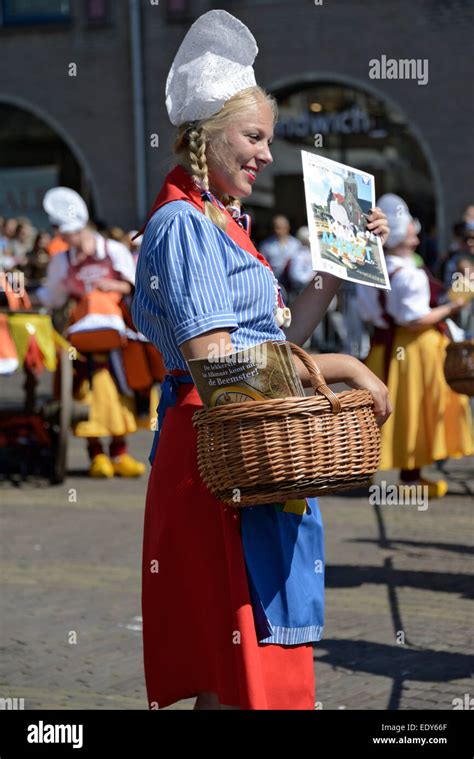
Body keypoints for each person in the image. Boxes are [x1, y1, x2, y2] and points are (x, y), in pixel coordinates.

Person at [132, 9, 390, 711]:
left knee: (246, 666)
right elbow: (219, 367)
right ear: (203, 137)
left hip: (247, 452)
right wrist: (339, 367)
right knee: (240, 665)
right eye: (253, 137)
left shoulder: (222, 223)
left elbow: (275, 337)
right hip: (219, 454)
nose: (266, 155)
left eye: (267, 140)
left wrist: (337, 269)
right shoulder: (182, 226)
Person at [356, 194, 472, 498]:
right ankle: (410, 479)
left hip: (383, 348)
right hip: (415, 349)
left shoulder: (369, 269)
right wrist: (452, 308)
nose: (417, 235)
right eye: (411, 230)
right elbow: (415, 320)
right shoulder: (408, 273)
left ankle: (373, 472)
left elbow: (372, 312)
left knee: (382, 412)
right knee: (414, 411)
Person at [37, 187, 147, 478]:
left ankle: (120, 453)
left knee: (121, 395)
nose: (66, 239)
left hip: (117, 341)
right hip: (82, 344)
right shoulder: (62, 260)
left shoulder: (113, 250)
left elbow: (135, 286)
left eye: (68, 233)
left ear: (81, 228)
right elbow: (55, 297)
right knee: (86, 397)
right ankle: (96, 454)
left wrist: (116, 287)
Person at [260, 214, 302, 300]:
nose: (276, 230)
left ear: (287, 228)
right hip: (275, 282)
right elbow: (262, 265)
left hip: (294, 284)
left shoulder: (296, 244)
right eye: (275, 227)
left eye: (279, 227)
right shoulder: (266, 245)